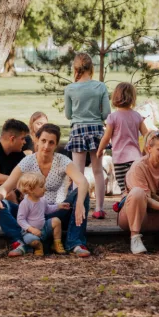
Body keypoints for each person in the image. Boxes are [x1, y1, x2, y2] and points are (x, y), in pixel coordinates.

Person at [0, 123, 92, 258]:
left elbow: (83, 181)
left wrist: (79, 202)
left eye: (51, 142)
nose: (46, 146)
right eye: (43, 141)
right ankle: (20, 242)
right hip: (30, 214)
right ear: (36, 140)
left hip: (56, 211)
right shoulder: (27, 161)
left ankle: (74, 243)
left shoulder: (62, 161)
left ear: (56, 145)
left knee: (82, 194)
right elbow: (5, 187)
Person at [64, 53, 111, 218]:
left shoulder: (70, 88)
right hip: (97, 130)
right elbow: (106, 113)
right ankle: (99, 208)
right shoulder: (100, 87)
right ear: (91, 68)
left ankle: (80, 207)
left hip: (78, 130)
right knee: (98, 171)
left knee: (78, 172)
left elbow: (68, 115)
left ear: (75, 68)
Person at [97, 82, 149, 194]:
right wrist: (145, 151)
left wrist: (100, 150)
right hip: (136, 158)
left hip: (120, 159)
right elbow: (147, 135)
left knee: (124, 188)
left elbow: (106, 138)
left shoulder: (112, 117)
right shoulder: (137, 116)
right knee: (135, 186)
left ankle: (125, 209)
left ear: (116, 96)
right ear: (132, 98)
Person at [16, 173, 68, 255]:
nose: (45, 189)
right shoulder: (25, 203)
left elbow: (47, 209)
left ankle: (56, 243)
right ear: (31, 190)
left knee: (56, 221)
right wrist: (31, 229)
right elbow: (20, 219)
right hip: (30, 232)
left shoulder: (42, 200)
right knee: (32, 240)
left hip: (44, 229)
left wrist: (59, 206)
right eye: (41, 187)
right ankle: (38, 247)